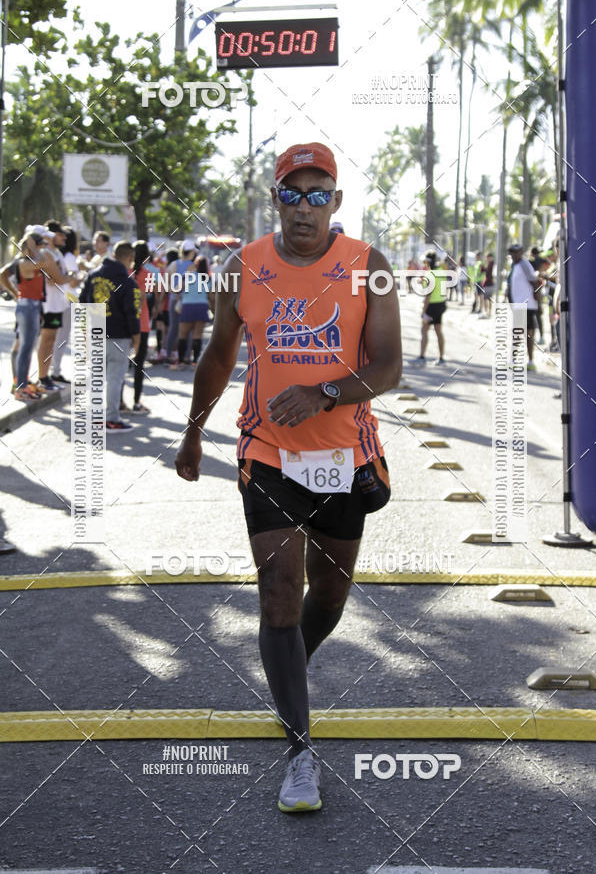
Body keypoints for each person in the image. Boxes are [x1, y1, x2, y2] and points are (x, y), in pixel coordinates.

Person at [175, 141, 402, 813]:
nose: (304, 208)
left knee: (328, 597)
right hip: (266, 453)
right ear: (274, 198)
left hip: (345, 457)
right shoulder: (240, 268)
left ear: (336, 200)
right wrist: (193, 431)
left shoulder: (371, 267)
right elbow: (219, 356)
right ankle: (300, 750)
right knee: (279, 593)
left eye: (317, 194)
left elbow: (388, 367)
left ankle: (284, 674)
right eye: (291, 194)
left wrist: (324, 392)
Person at [80, 241, 141, 432]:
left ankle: (95, 418)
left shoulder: (93, 275)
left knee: (96, 377)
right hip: (119, 335)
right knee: (114, 379)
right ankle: (112, 418)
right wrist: (137, 340)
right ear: (130, 258)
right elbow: (132, 312)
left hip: (96, 332)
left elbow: (82, 303)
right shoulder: (128, 281)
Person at [2, 229, 47, 401]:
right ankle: (20, 387)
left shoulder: (30, 261)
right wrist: (16, 294)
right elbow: (44, 263)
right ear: (32, 247)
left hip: (32, 305)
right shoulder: (24, 262)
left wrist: (15, 294)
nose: (43, 249)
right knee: (25, 348)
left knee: (27, 348)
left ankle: (23, 384)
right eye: (39, 245)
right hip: (27, 306)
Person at [37, 221, 79, 393]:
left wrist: (65, 276)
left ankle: (46, 377)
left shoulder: (56, 254)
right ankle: (42, 377)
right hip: (48, 305)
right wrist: (68, 276)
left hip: (57, 304)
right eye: (60, 234)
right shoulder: (47, 253)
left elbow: (62, 278)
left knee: (51, 340)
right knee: (46, 341)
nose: (63, 237)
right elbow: (59, 279)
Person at [51, 226, 83, 384]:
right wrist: (82, 275)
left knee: (52, 337)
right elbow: (74, 281)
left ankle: (52, 370)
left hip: (57, 300)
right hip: (68, 300)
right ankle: (55, 371)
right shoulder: (69, 257)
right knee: (61, 338)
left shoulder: (57, 255)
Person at [170, 242, 210, 371]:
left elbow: (176, 290)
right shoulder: (207, 279)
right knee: (197, 336)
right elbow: (212, 296)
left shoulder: (187, 276)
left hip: (187, 307)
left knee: (183, 335)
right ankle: (195, 362)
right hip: (202, 307)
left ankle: (181, 362)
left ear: (195, 265)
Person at [127, 240, 153, 413]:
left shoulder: (124, 273)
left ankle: (119, 403)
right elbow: (143, 297)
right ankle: (136, 403)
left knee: (120, 366)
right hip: (141, 323)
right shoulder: (148, 275)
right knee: (139, 365)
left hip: (124, 324)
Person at [507, 243, 538, 371]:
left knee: (523, 333)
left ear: (521, 252)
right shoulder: (515, 266)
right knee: (521, 333)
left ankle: (525, 361)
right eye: (512, 252)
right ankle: (521, 361)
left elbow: (535, 282)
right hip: (519, 305)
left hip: (526, 305)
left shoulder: (524, 265)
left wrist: (538, 303)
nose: (513, 255)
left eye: (516, 252)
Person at [414, 251, 447, 365]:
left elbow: (428, 295)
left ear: (428, 262)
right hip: (441, 304)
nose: (424, 263)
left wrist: (423, 311)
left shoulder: (429, 274)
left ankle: (422, 357)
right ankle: (441, 358)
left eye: (425, 261)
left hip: (431, 306)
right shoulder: (441, 272)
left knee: (424, 330)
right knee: (438, 331)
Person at [481, 252, 495, 317]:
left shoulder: (492, 264)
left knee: (489, 299)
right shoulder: (488, 264)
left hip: (490, 284)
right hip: (486, 284)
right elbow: (484, 271)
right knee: (485, 299)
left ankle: (489, 312)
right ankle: (486, 311)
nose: (487, 259)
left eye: (488, 257)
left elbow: (489, 273)